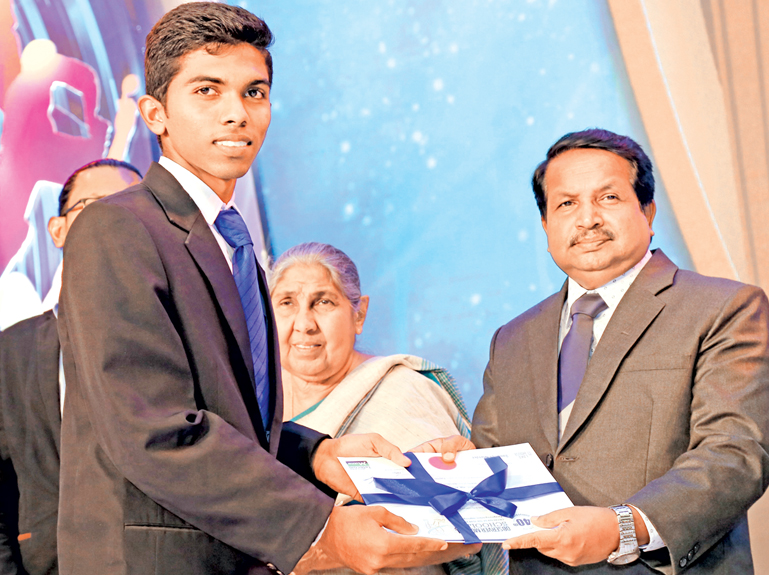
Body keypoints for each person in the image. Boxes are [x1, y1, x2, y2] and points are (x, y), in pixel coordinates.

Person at [56, 4, 477, 575]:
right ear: (155, 114)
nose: (236, 114)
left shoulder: (232, 242)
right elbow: (154, 428)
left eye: (254, 92)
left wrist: (319, 454)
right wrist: (325, 528)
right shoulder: (116, 226)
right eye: (208, 91)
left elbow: (233, 417)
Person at [472, 128, 769, 574]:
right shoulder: (513, 338)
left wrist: (622, 527)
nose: (587, 219)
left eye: (609, 198)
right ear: (545, 224)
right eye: (566, 204)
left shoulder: (724, 308)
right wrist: (453, 462)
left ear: (648, 210)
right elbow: (494, 462)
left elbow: (737, 453)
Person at [269, 241, 481, 575]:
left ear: (359, 314)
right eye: (286, 303)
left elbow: (449, 530)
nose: (304, 323)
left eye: (323, 302)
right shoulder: (246, 408)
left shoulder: (402, 391)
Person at [0, 158, 142, 575]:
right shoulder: (10, 353)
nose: (120, 225)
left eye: (137, 211)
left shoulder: (188, 335)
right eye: (97, 207)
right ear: (58, 231)